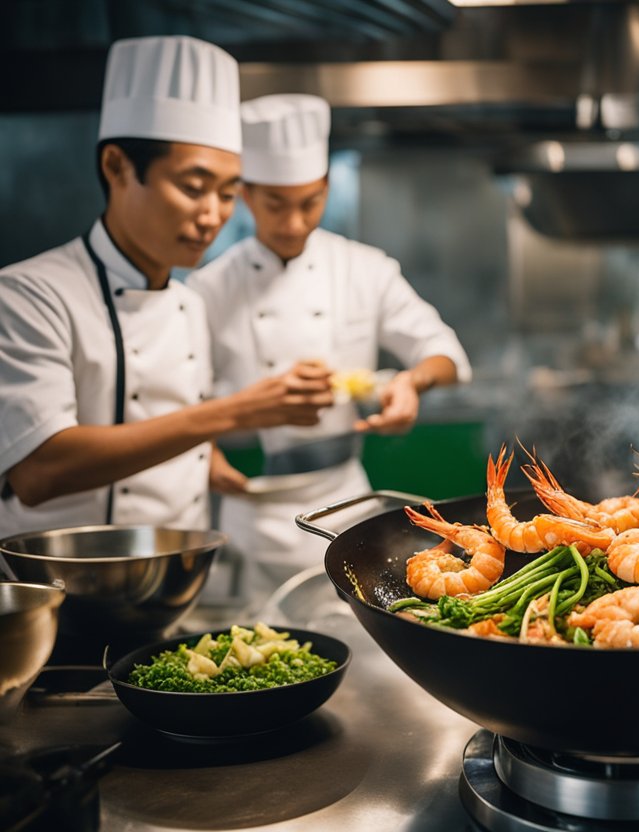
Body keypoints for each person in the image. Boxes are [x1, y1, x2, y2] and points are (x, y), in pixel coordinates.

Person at [0, 36, 332, 537]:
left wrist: (204, 462)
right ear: (116, 166)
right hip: (61, 584)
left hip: (179, 576)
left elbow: (167, 434)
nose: (213, 216)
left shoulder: (188, 304)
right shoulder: (30, 295)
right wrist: (236, 411)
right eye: (193, 188)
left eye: (226, 194)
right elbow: (39, 471)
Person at [189, 93, 471, 602]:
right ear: (246, 195)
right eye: (275, 204)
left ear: (324, 187)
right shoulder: (208, 289)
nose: (294, 222)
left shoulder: (363, 269)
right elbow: (176, 399)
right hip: (250, 513)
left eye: (310, 203)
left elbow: (444, 353)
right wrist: (203, 453)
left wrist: (412, 381)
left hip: (345, 503)